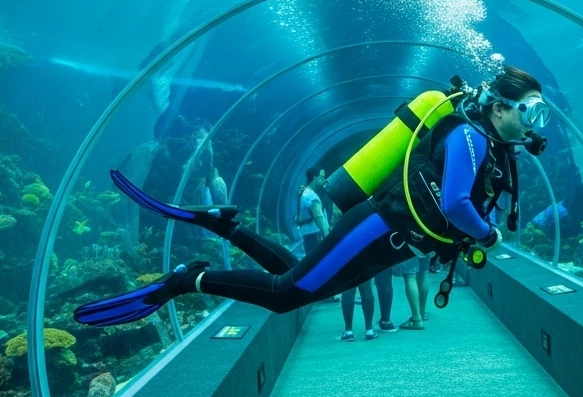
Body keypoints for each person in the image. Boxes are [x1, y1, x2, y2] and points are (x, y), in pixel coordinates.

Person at [74, 67, 550, 327]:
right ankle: (186, 281)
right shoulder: (472, 139)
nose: (534, 123)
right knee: (287, 296)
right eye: (530, 110)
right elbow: (453, 206)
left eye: (539, 113)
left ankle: (226, 224)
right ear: (502, 106)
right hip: (380, 227)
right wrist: (487, 236)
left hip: (393, 242)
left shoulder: (489, 146)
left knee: (292, 278)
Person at [295, 167, 330, 254]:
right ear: (315, 178)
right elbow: (319, 216)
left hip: (308, 237)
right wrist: (329, 238)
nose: (323, 180)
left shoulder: (303, 192)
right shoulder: (311, 196)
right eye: (321, 178)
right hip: (317, 237)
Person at [394, 255, 430, 330]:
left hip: (409, 246)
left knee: (410, 276)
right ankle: (421, 313)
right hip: (425, 245)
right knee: (423, 273)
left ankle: (416, 318)